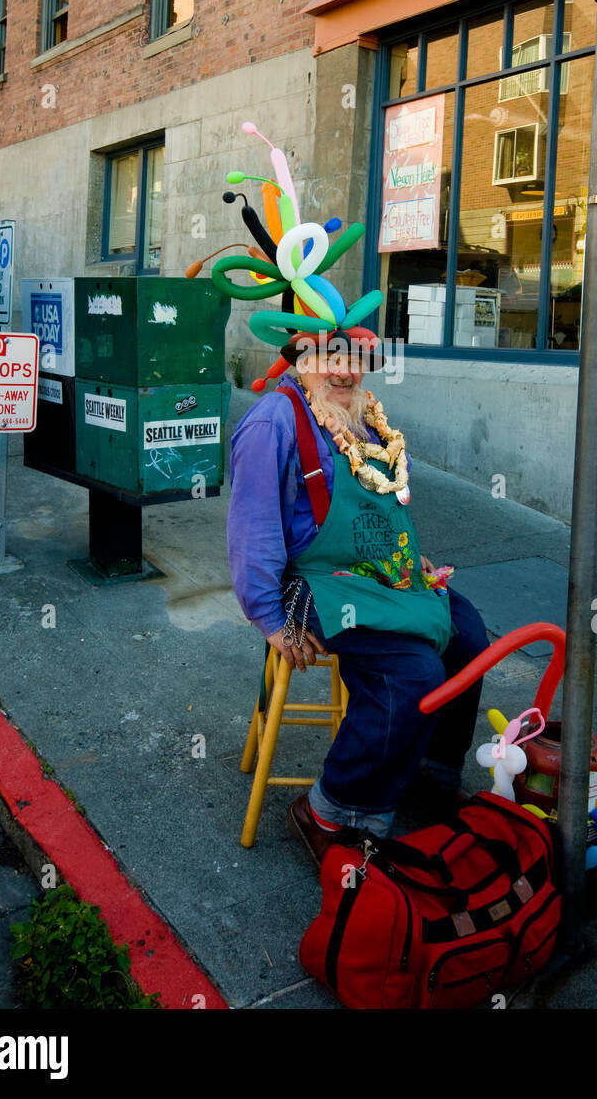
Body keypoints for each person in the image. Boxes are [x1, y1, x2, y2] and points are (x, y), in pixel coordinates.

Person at [227, 329, 490, 864]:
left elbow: (385, 503)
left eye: (355, 361)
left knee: (470, 638)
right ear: (300, 363)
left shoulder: (368, 416)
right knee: (412, 673)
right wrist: (273, 623)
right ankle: (330, 809)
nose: (343, 371)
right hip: (311, 583)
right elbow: (252, 533)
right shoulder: (272, 423)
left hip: (381, 573)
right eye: (328, 357)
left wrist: (405, 553)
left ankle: (429, 773)